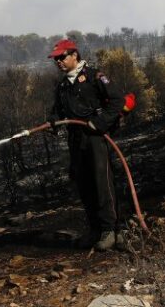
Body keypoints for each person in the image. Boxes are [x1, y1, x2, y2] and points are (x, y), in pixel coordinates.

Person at [47, 39, 124, 250]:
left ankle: (112, 230)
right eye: (56, 59)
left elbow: (118, 101)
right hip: (76, 140)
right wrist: (53, 120)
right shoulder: (62, 86)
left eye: (62, 57)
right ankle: (95, 231)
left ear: (74, 55)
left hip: (96, 138)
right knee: (84, 185)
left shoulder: (94, 77)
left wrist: (99, 123)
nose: (58, 62)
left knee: (102, 183)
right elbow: (57, 111)